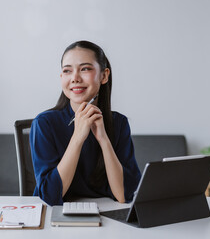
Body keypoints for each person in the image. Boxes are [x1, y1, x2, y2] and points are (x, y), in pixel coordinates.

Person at [29, 40, 141, 206]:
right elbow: (49, 197)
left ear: (104, 76)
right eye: (67, 71)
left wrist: (104, 140)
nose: (75, 78)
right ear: (61, 78)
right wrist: (77, 137)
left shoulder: (119, 123)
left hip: (107, 215)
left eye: (85, 69)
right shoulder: (44, 124)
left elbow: (125, 195)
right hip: (56, 216)